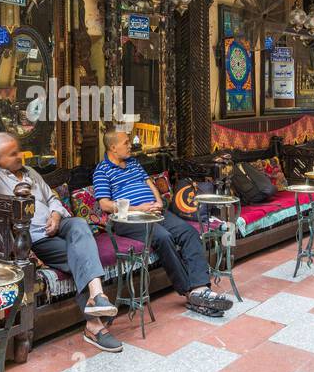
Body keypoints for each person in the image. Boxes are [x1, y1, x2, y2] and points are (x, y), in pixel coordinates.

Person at [0, 128, 123, 353]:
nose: (20, 156)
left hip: (58, 226)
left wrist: (56, 214)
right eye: (12, 154)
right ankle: (95, 326)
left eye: (19, 151)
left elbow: (51, 197)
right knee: (80, 256)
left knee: (79, 224)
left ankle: (98, 296)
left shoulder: (30, 173)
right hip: (36, 239)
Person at [93, 128, 232, 317]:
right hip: (128, 219)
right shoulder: (102, 170)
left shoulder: (133, 163)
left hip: (155, 211)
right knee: (163, 237)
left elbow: (149, 183)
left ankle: (200, 287)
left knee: (188, 233)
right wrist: (139, 208)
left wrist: (158, 201)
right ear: (112, 147)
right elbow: (105, 204)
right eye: (126, 142)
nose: (130, 145)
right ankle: (189, 292)